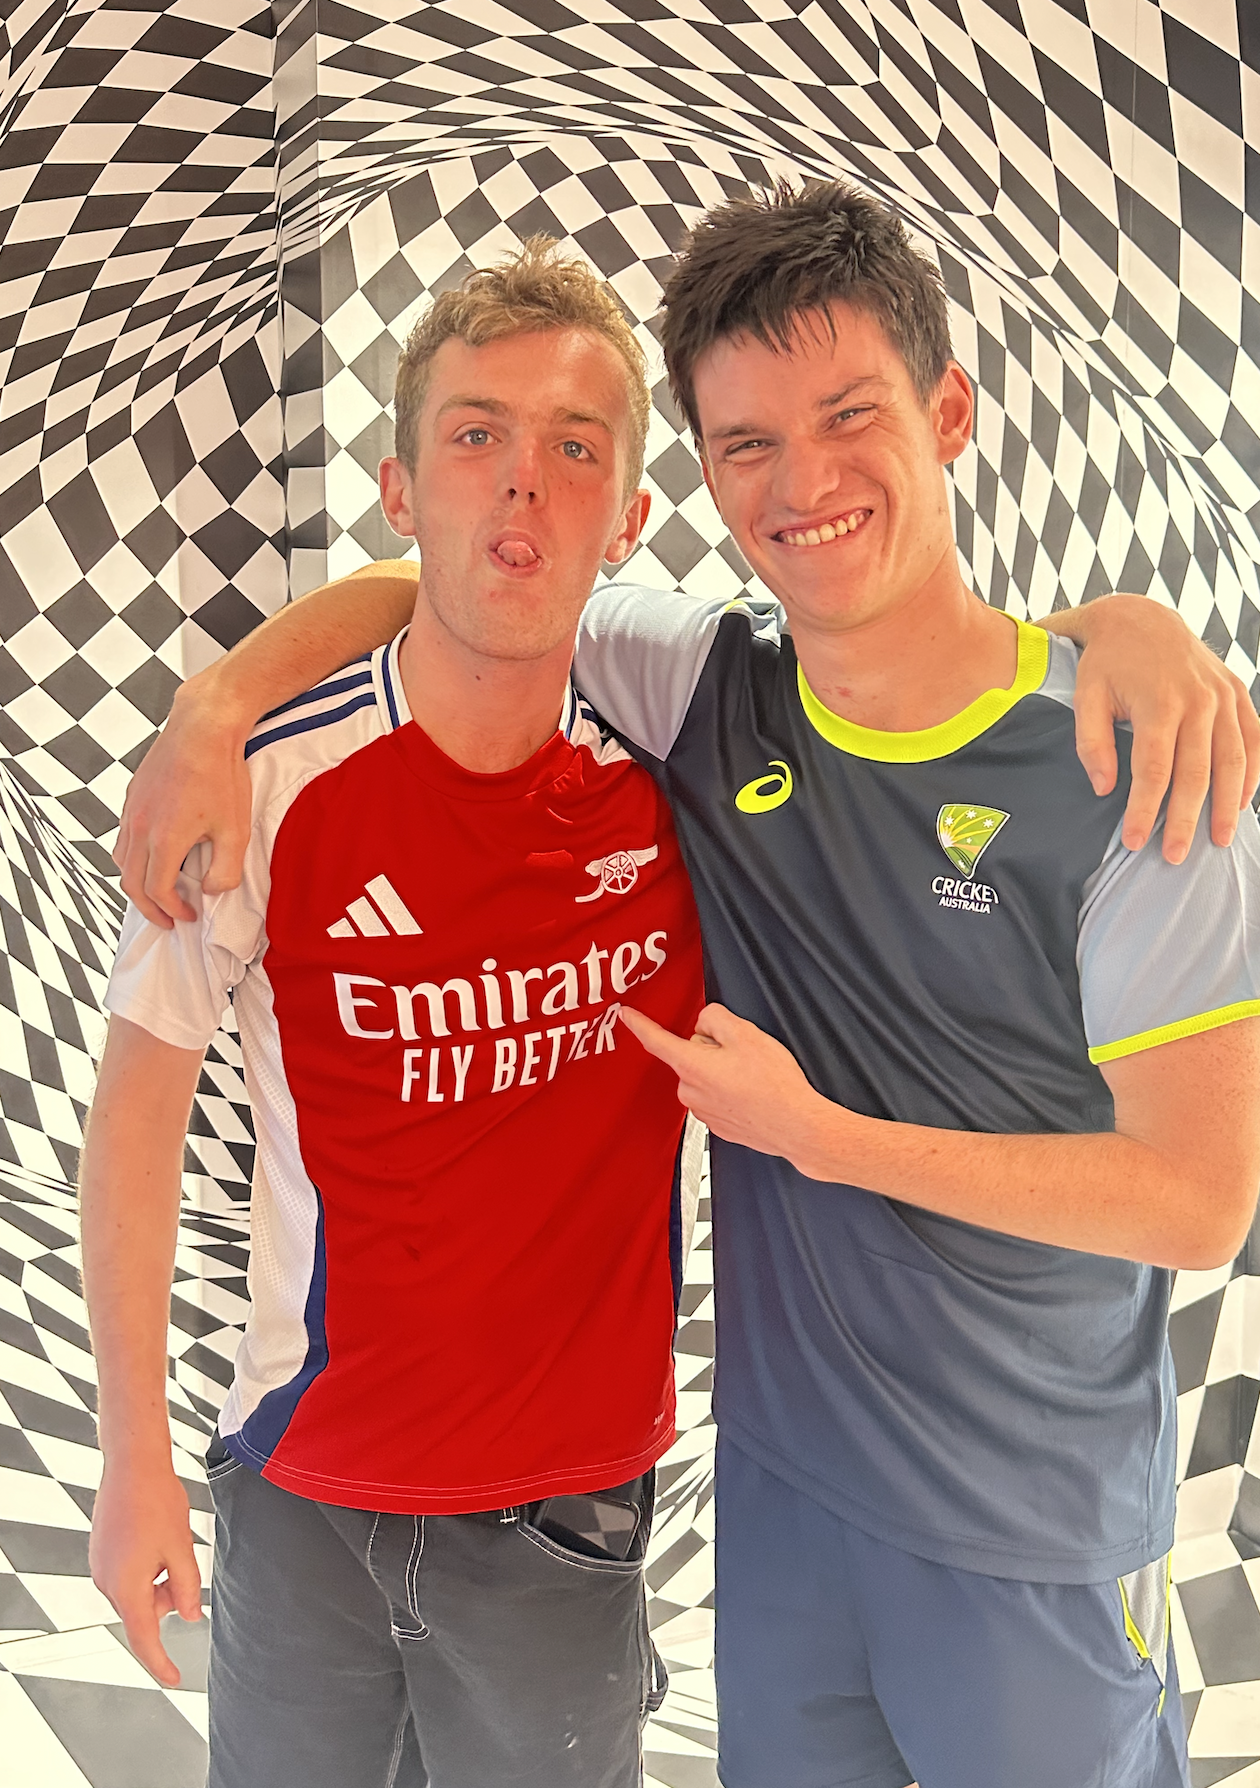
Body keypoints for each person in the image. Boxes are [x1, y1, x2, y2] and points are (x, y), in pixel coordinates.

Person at [111, 187, 1260, 1788]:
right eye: (748, 446)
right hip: (780, 1530)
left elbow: (1202, 1205)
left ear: (948, 412)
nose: (804, 483)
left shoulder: (1131, 766)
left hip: (1036, 1533)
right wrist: (220, 700)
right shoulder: (709, 696)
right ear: (704, 487)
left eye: (850, 417)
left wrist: (1127, 634)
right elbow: (480, 587)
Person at [79, 241, 706, 1788]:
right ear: (397, 486)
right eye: (475, 436)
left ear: (629, 516)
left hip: (565, 1523)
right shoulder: (268, 784)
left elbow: (902, 670)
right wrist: (132, 1460)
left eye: (575, 451)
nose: (522, 488)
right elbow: (136, 1123)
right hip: (303, 1498)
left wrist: (1133, 642)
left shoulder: (690, 769)